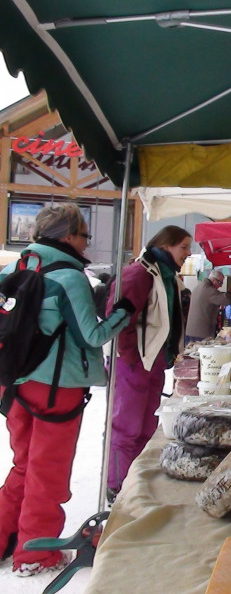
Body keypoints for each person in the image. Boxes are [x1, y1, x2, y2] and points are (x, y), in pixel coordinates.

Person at [0, 203, 133, 577]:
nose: (87, 243)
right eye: (84, 235)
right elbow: (92, 334)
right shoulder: (69, 277)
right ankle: (35, 554)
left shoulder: (15, 267)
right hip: (56, 388)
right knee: (49, 471)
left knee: (24, 465)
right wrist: (121, 312)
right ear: (67, 236)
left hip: (13, 383)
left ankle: (4, 538)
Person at [105, 226, 192, 502]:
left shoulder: (168, 277)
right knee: (126, 427)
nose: (188, 254)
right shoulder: (139, 274)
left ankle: (135, 482)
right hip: (134, 364)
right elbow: (117, 320)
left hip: (152, 363)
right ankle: (117, 484)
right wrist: (131, 357)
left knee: (145, 428)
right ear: (166, 246)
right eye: (184, 247)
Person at [185, 269, 231, 343]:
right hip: (200, 333)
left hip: (192, 331)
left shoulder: (200, 286)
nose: (221, 285)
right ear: (213, 280)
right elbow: (225, 299)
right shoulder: (208, 289)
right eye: (220, 282)